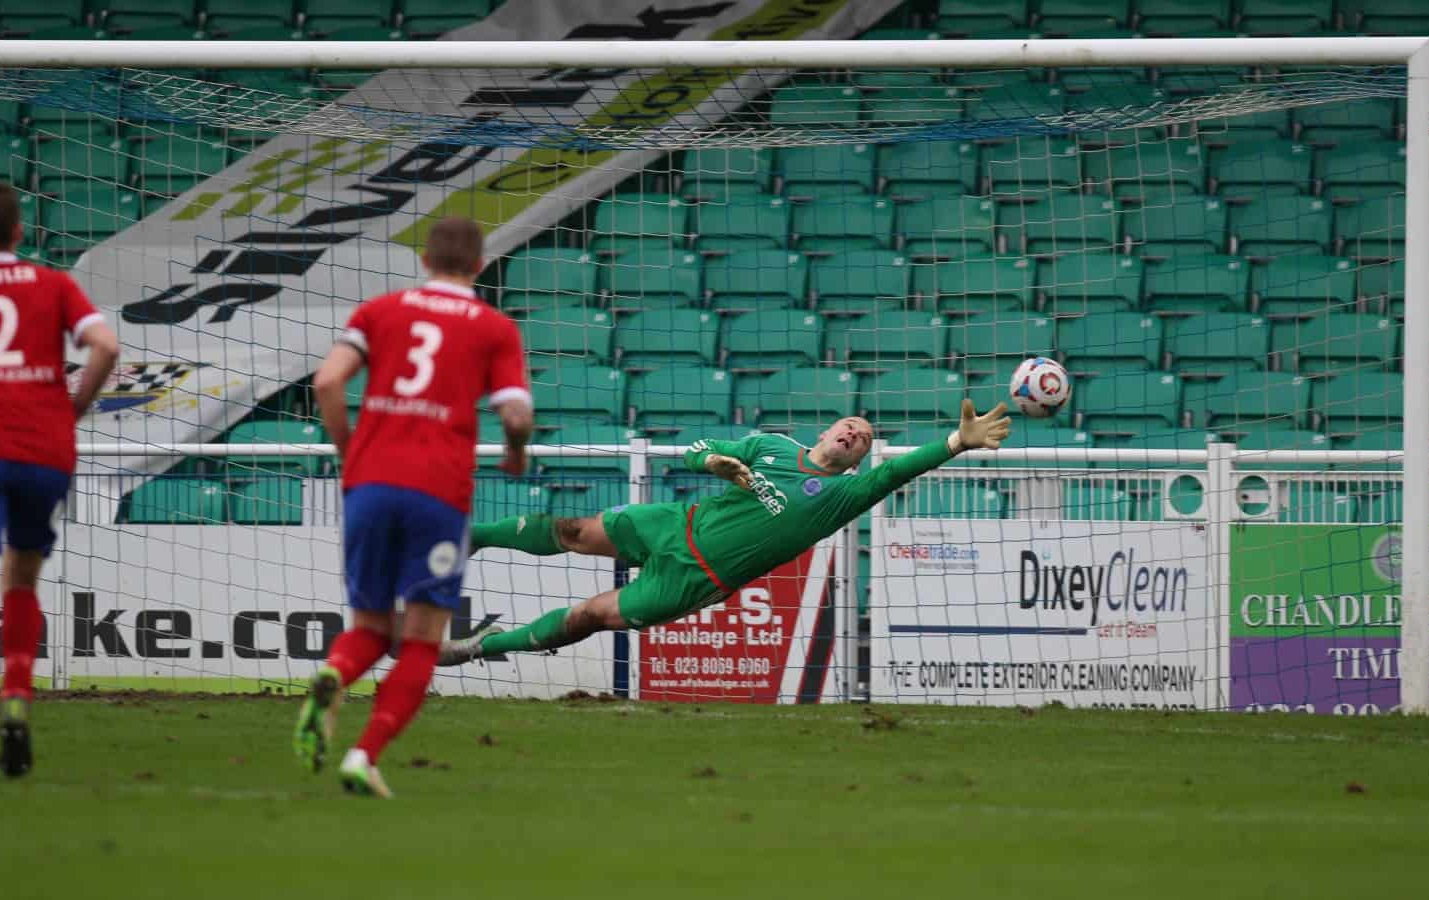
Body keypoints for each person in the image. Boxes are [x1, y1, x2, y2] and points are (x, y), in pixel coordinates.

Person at [439, 402, 1011, 666]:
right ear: (829, 428)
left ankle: (473, 649)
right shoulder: (771, 446)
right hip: (673, 524)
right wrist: (715, 464)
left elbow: (896, 471)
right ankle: (475, 536)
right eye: (849, 425)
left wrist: (956, 443)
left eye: (862, 437)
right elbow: (694, 449)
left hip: (697, 579)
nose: (855, 434)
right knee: (571, 529)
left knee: (589, 616)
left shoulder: (843, 496)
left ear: (857, 456)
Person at [295, 215, 532, 798]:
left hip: (370, 486)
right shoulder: (493, 326)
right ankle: (364, 755)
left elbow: (327, 383)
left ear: (424, 261)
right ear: (479, 266)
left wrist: (351, 450)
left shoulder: (380, 310)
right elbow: (517, 415)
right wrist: (517, 455)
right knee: (423, 641)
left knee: (371, 629)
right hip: (437, 493)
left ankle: (334, 674)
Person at [0, 181, 121, 781]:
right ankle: (17, 697)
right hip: (46, 450)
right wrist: (74, 408)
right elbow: (106, 345)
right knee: (23, 574)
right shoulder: (52, 283)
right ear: (19, 231)